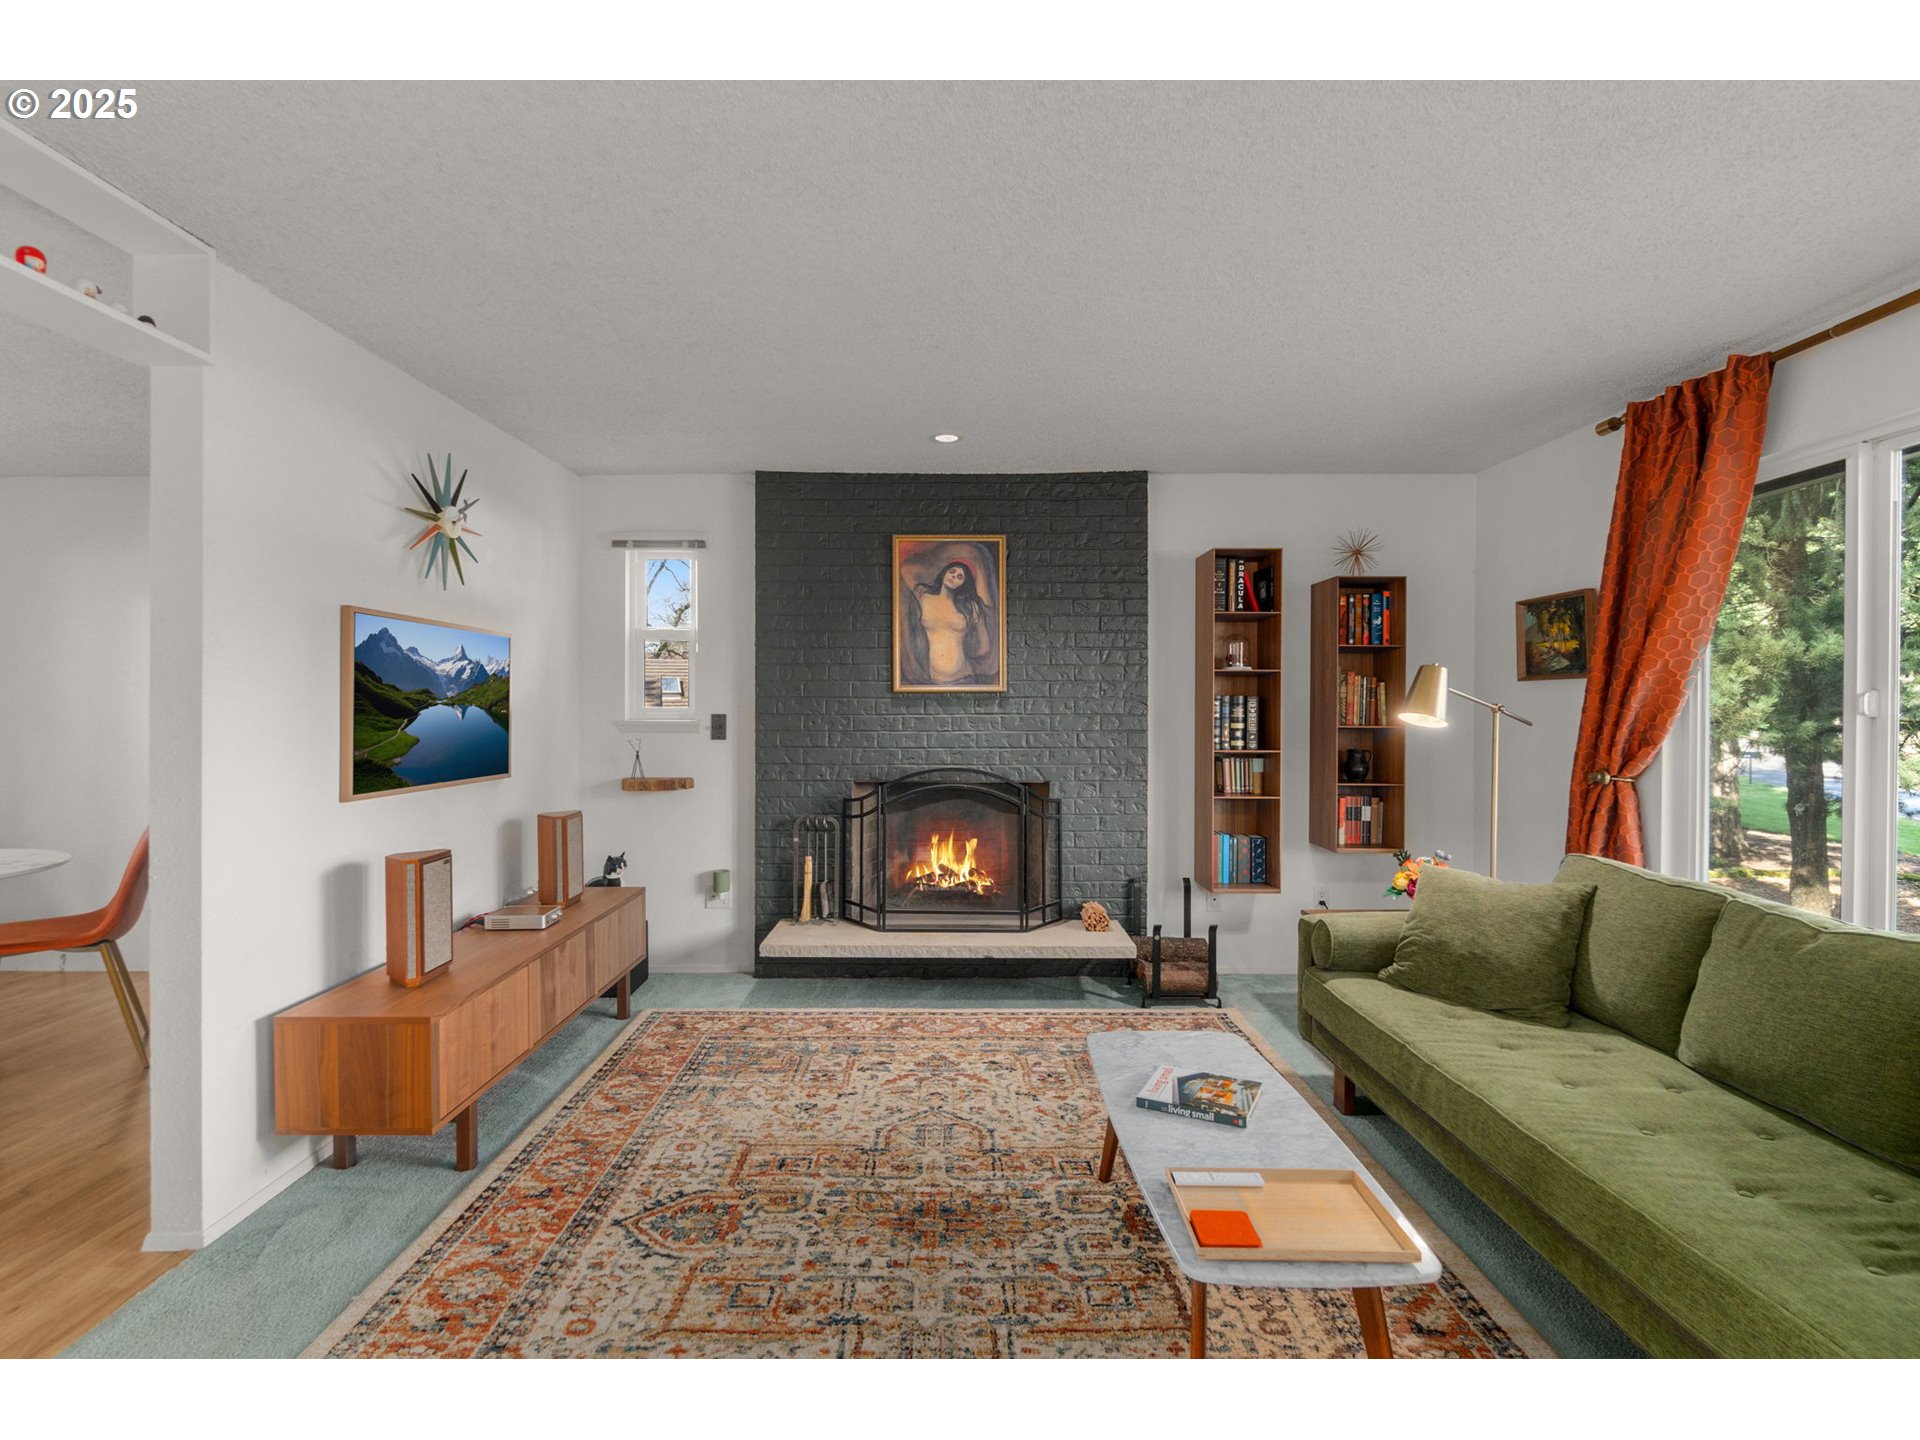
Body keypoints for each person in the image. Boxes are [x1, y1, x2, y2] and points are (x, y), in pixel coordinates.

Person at [904, 558, 993, 685]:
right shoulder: (924, 597)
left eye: (959, 577)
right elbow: (905, 570)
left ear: (963, 584)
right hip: (934, 680)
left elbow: (984, 647)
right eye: (952, 571)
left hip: (964, 677)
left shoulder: (970, 607)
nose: (953, 577)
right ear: (944, 572)